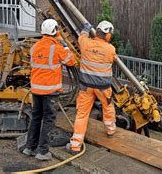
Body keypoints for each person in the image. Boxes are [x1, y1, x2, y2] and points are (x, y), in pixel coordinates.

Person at [23, 19, 76, 160]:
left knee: (36, 118)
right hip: (50, 92)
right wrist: (65, 46)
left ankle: (29, 147)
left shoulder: (35, 47)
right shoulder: (57, 48)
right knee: (48, 120)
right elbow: (72, 61)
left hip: (36, 90)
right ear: (56, 31)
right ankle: (42, 151)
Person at [66, 20, 117, 154]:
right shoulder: (110, 49)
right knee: (108, 107)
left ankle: (75, 145)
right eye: (110, 34)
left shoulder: (84, 43)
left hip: (86, 87)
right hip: (103, 88)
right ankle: (110, 130)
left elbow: (81, 36)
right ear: (106, 34)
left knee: (82, 114)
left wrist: (86, 28)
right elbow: (112, 59)